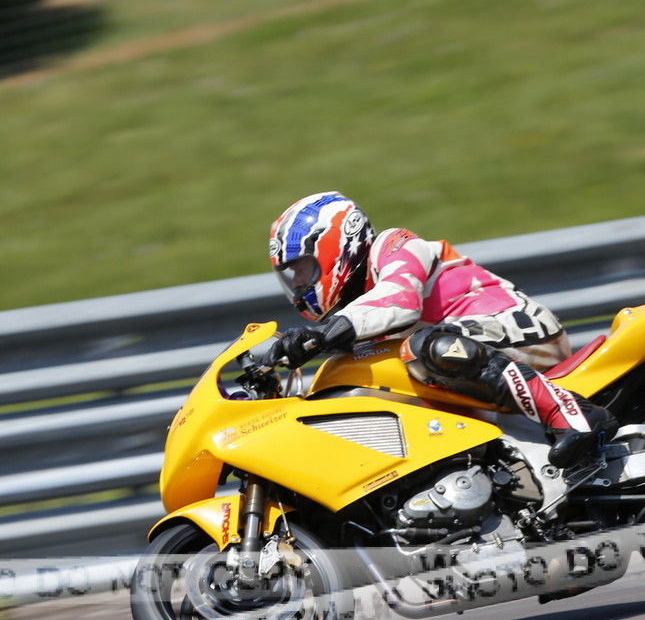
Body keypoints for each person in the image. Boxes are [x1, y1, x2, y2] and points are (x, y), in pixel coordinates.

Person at [263, 191, 615, 467]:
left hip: (520, 327)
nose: (299, 282)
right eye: (292, 275)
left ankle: (571, 414)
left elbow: (399, 301)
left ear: (336, 245)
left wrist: (323, 334)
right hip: (473, 357)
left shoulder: (394, 245)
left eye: (303, 267)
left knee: (426, 346)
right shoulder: (355, 312)